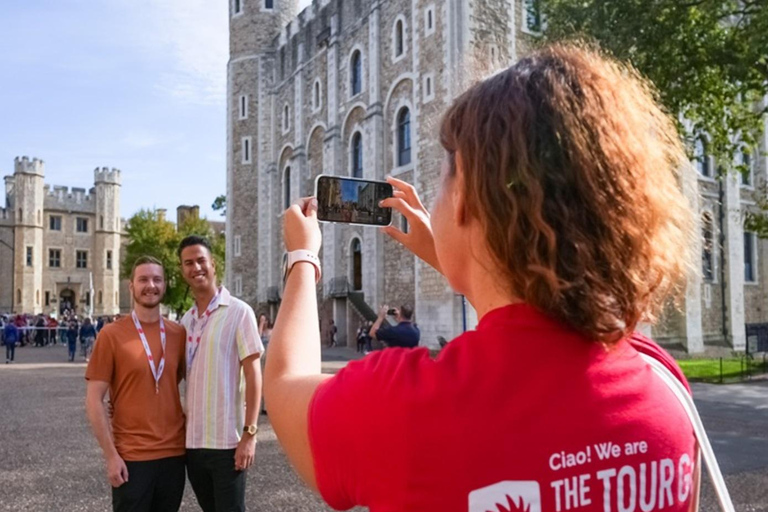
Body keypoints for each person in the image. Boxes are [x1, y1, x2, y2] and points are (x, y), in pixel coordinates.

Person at [264, 44, 699, 511]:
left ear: (466, 194)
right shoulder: (661, 379)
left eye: (444, 176)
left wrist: (302, 257)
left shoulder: (410, 408)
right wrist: (462, 254)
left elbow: (287, 386)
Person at [85, 256, 187, 512]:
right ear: (131, 286)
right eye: (143, 279)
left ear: (165, 285)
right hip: (131, 457)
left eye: (156, 279)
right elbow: (94, 399)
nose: (150, 285)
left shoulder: (179, 334)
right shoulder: (111, 335)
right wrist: (111, 456)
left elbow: (181, 385)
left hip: (174, 455)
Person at [178, 235, 263, 512]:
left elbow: (253, 375)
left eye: (201, 260)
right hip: (193, 442)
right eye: (188, 263)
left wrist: (249, 435)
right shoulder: (186, 321)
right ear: (182, 270)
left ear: (213, 264)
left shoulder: (239, 312)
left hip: (228, 441)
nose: (196, 268)